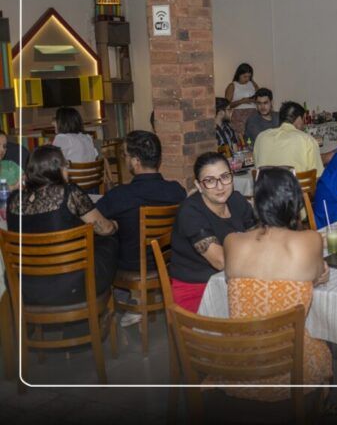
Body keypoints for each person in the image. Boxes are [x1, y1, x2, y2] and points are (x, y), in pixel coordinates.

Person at [219, 167, 332, 401]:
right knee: (324, 345)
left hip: (238, 366)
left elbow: (234, 277)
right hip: (292, 366)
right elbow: (317, 275)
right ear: (296, 202)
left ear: (256, 203)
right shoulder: (311, 240)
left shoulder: (231, 241)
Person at [5, 145, 118, 305]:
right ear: (57, 168)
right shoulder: (69, 193)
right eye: (66, 164)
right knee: (110, 238)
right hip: (71, 286)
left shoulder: (14, 200)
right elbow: (105, 228)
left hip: (25, 288)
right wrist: (115, 225)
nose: (68, 169)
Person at [95, 131, 187, 326]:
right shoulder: (176, 191)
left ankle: (127, 300)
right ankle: (137, 299)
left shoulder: (120, 195)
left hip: (131, 265)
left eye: (126, 155)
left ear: (136, 161)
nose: (125, 159)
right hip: (167, 261)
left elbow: (94, 219)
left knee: (104, 239)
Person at [169, 152, 256, 313]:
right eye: (210, 181)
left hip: (236, 282)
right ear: (198, 185)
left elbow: (259, 238)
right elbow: (221, 261)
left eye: (225, 177)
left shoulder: (236, 200)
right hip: (197, 290)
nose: (220, 186)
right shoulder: (190, 212)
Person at [252, 101, 324, 178]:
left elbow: (257, 169)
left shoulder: (261, 137)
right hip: (297, 185)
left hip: (266, 185)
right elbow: (318, 176)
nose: (304, 125)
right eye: (304, 120)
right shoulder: (307, 140)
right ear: (300, 119)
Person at [225, 63, 259, 134]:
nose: (247, 79)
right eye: (245, 76)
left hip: (253, 113)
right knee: (242, 136)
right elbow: (226, 105)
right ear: (239, 75)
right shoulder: (233, 85)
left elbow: (260, 96)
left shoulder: (252, 84)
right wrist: (241, 101)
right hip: (239, 115)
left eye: (249, 77)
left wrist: (254, 100)